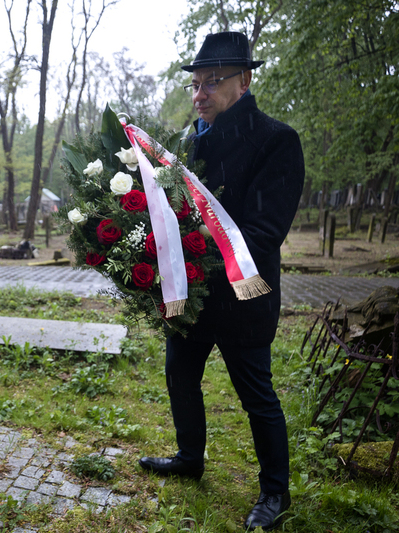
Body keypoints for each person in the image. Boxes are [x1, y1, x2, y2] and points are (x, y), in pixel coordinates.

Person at [138, 32, 305, 531]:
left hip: (244, 294)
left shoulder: (277, 140)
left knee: (256, 393)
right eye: (195, 83)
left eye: (213, 82)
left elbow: (265, 231)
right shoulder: (191, 143)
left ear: (245, 81)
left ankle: (275, 491)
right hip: (194, 293)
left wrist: (195, 246)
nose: (200, 93)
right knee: (180, 375)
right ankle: (190, 456)